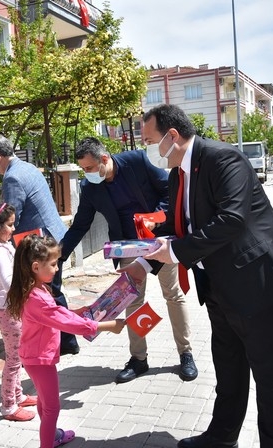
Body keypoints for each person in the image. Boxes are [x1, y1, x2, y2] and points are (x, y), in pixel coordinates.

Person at [122, 104, 273, 448]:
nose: (148, 150)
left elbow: (231, 221)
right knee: (229, 366)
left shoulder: (223, 159)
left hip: (256, 282)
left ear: (172, 136)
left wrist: (175, 252)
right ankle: (221, 437)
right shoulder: (179, 172)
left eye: (149, 141)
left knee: (269, 375)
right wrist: (145, 263)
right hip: (219, 285)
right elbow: (182, 231)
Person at [60, 137, 198, 384]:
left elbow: (170, 189)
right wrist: (59, 254)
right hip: (127, 249)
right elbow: (81, 224)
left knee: (173, 296)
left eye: (89, 168)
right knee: (133, 302)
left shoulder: (137, 161)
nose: (86, 174)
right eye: (82, 169)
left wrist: (154, 218)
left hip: (159, 242)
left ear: (104, 159)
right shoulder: (91, 188)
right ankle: (139, 359)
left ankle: (185, 353)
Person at [6, 235, 126, 448]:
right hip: (40, 360)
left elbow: (56, 314)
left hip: (36, 357)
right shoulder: (37, 296)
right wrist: (108, 326)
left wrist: (77, 312)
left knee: (44, 402)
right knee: (52, 408)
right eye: (52, 264)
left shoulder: (35, 288)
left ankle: (52, 437)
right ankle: (48, 443)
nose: (56, 269)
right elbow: (65, 323)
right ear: (35, 266)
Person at [0, 134, 80, 356]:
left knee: (50, 293)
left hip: (42, 243)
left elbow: (10, 215)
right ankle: (65, 339)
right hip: (53, 236)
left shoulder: (12, 178)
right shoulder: (28, 167)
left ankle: (66, 341)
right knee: (52, 291)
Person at [0, 198, 37, 422]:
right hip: (9, 312)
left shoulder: (2, 246)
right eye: (10, 225)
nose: (13, 229)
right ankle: (8, 406)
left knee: (18, 356)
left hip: (12, 310)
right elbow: (9, 283)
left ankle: (18, 395)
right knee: (13, 360)